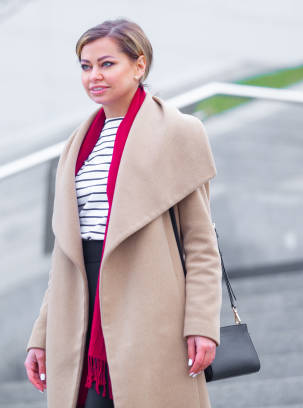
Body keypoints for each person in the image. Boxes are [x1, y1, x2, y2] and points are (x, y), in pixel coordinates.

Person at [24, 18, 222, 408]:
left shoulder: (178, 132)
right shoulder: (76, 146)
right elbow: (66, 254)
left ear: (139, 65)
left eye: (106, 64)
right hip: (81, 304)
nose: (94, 75)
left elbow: (200, 242)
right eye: (85, 66)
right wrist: (42, 334)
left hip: (150, 302)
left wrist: (201, 324)